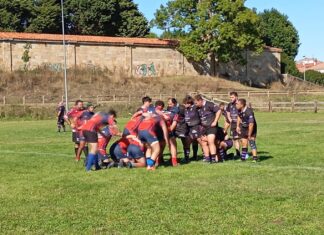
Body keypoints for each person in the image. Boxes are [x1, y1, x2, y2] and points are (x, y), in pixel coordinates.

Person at [194, 94, 222, 163]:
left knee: (210, 141)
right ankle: (207, 158)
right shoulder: (198, 108)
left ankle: (213, 159)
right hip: (204, 128)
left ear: (200, 100)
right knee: (203, 142)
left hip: (211, 127)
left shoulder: (209, 104)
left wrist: (215, 121)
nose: (196, 105)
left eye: (196, 103)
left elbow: (219, 111)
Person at [183, 96, 202, 161]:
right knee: (187, 142)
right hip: (188, 128)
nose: (185, 105)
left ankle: (197, 156)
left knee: (198, 141)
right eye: (184, 103)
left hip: (196, 126)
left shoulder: (195, 107)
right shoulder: (184, 109)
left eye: (186, 103)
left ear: (190, 103)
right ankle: (186, 157)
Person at [226, 92, 241, 158]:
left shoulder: (240, 104)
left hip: (240, 124)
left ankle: (244, 153)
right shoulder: (229, 104)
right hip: (233, 124)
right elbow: (228, 111)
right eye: (230, 97)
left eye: (232, 97)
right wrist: (229, 118)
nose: (231, 99)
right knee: (235, 139)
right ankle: (238, 153)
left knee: (242, 139)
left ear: (236, 97)